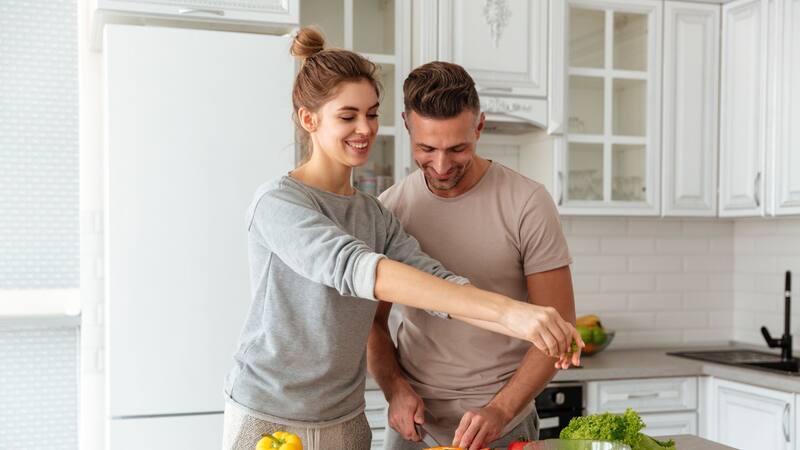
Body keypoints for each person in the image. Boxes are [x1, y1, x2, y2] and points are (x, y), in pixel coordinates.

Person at [220, 28, 582, 450]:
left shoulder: (374, 214)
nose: (364, 128)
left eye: (372, 114)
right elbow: (356, 268)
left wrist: (529, 320)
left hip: (346, 416)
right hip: (270, 412)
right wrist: (509, 313)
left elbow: (438, 285)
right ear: (309, 119)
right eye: (348, 115)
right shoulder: (278, 203)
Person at [368, 61, 578, 450]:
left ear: (479, 127)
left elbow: (559, 324)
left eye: (457, 148)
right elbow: (371, 325)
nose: (442, 165)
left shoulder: (527, 203)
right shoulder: (390, 209)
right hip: (413, 426)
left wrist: (499, 410)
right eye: (426, 148)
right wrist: (394, 389)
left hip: (502, 425)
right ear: (407, 126)